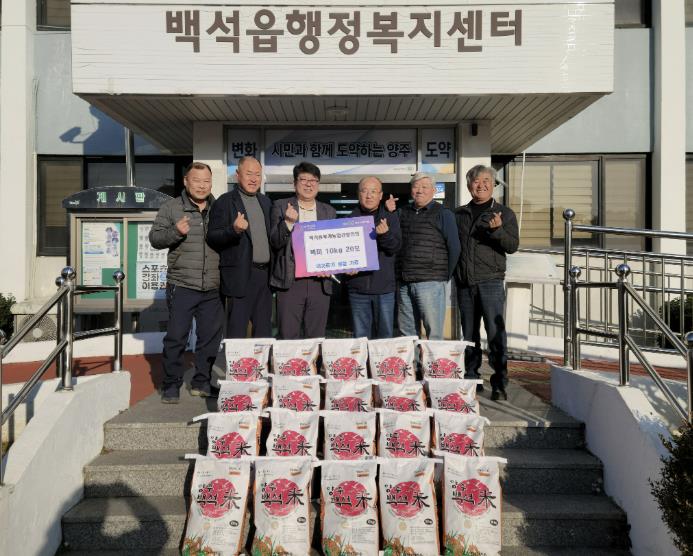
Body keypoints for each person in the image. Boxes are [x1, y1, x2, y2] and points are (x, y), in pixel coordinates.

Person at [149, 161, 223, 403]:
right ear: (186, 181)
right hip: (182, 284)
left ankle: (201, 382)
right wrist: (176, 232)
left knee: (209, 339)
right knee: (176, 337)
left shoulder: (219, 208)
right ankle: (171, 384)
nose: (202, 186)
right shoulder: (171, 207)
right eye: (197, 180)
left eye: (206, 181)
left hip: (213, 285)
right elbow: (155, 238)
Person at [455, 164, 519, 400]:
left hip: (491, 281)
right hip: (465, 283)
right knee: (469, 335)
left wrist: (498, 230)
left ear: (493, 185)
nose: (480, 185)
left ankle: (499, 382)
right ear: (469, 185)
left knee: (495, 334)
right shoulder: (459, 214)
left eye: (486, 181)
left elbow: (512, 246)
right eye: (476, 181)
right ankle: (472, 377)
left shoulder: (504, 213)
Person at [207, 156, 273, 338]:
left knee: (263, 331)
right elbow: (212, 237)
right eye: (249, 174)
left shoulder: (266, 202)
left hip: (264, 277)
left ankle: (261, 359)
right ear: (238, 175)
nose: (253, 179)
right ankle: (236, 360)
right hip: (239, 276)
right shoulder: (224, 201)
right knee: (237, 331)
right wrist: (233, 230)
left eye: (257, 175)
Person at [269, 161, 336, 339]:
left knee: (316, 337)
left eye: (313, 180)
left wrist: (332, 266)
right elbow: (275, 242)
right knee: (288, 336)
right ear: (294, 183)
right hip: (291, 281)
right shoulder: (281, 206)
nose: (308, 184)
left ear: (318, 184)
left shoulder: (328, 211)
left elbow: (333, 247)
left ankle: (314, 359)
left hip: (319, 283)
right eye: (303, 179)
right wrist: (287, 223)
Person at [397, 172, 460, 340]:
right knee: (407, 332)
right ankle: (413, 358)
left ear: (433, 191)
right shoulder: (402, 212)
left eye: (424, 187)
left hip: (431, 282)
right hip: (405, 282)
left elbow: (454, 247)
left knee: (433, 333)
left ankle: (433, 359)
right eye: (416, 186)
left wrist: (444, 276)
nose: (419, 190)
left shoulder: (443, 213)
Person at [345, 176, 401, 338]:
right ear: (358, 194)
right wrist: (345, 268)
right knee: (360, 337)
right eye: (364, 191)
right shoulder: (348, 220)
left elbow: (396, 247)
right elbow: (343, 254)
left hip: (384, 289)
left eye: (373, 191)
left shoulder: (390, 217)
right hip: (358, 288)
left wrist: (385, 235)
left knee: (385, 337)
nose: (369, 195)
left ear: (380, 195)